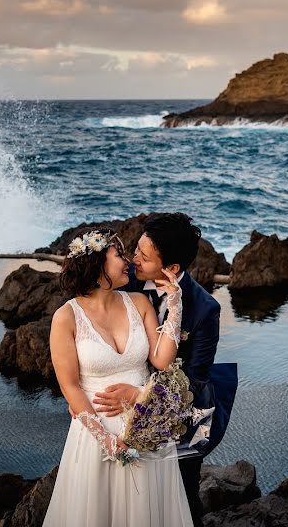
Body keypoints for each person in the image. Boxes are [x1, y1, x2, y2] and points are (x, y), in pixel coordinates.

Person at [42, 228, 193, 527]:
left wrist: (174, 303)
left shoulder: (138, 302)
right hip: (97, 437)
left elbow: (162, 361)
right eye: (119, 254)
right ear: (97, 264)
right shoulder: (66, 318)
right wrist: (106, 441)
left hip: (146, 425)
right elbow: (69, 386)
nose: (128, 261)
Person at [94, 213, 224, 526]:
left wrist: (140, 395)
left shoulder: (205, 310)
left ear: (172, 268)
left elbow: (193, 380)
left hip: (177, 416)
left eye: (144, 256)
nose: (133, 258)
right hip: (117, 414)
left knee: (181, 495)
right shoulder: (127, 282)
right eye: (135, 249)